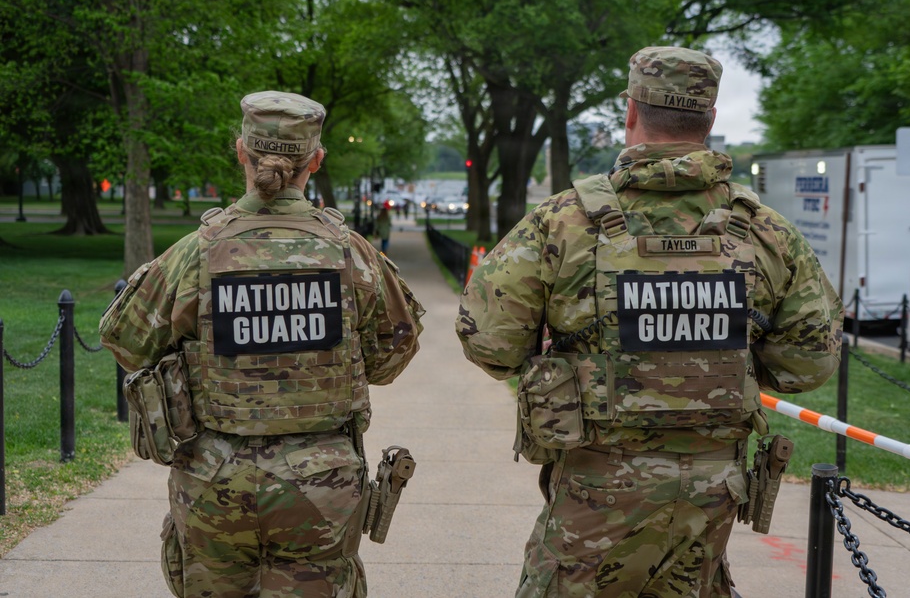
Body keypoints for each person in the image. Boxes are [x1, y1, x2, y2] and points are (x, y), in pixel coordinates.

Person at [455, 47, 843, 597]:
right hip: (714, 490)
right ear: (708, 120)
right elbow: (808, 363)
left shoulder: (562, 222)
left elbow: (490, 341)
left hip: (596, 484)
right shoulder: (766, 232)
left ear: (630, 110)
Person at [100, 90, 425, 598]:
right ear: (314, 161)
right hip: (322, 483)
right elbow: (391, 358)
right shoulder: (351, 253)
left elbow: (125, 340)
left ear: (240, 152)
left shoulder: (197, 251)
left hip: (213, 477)